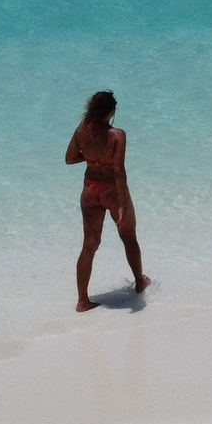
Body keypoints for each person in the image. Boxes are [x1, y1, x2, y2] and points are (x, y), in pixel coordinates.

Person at [65, 89, 148, 311]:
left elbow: (70, 158)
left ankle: (82, 301)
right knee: (128, 236)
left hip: (90, 189)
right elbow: (119, 171)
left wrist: (92, 159)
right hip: (111, 189)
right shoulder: (117, 135)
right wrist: (121, 205)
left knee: (89, 245)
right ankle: (140, 282)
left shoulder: (81, 130)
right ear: (111, 112)